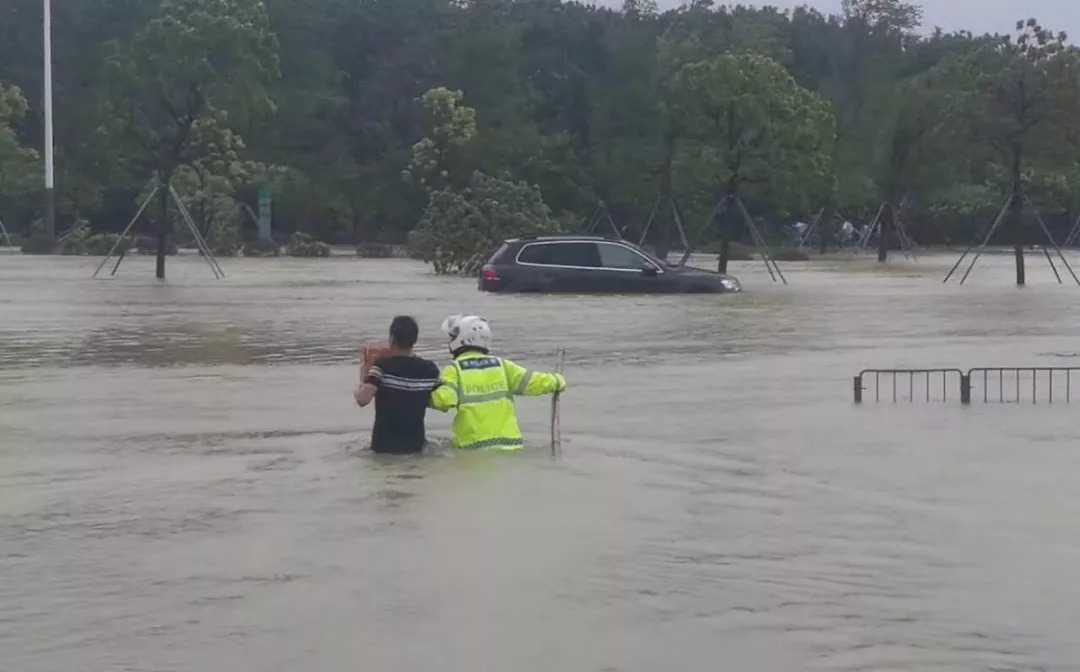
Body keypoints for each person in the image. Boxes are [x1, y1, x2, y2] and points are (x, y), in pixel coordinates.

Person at [429, 314, 566, 452]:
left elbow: (444, 400)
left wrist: (421, 395)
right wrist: (557, 381)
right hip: (511, 444)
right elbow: (534, 382)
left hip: (474, 447)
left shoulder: (454, 370)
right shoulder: (503, 365)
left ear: (464, 339)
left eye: (453, 337)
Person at [354, 316, 440, 454]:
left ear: (392, 339)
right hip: (416, 447)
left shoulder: (382, 366)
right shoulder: (430, 370)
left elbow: (362, 399)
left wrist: (364, 376)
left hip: (383, 448)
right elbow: (440, 401)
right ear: (415, 339)